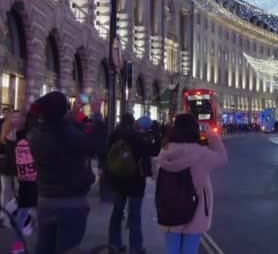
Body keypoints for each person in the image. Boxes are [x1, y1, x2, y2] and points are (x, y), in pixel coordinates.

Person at [28, 92, 106, 254]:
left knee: (45, 246)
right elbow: (94, 144)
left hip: (45, 198)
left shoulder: (35, 136)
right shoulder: (68, 136)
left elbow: (64, 127)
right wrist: (97, 115)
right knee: (68, 248)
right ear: (63, 112)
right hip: (71, 200)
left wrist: (74, 114)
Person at [157, 114, 227, 254]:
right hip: (196, 212)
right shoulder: (201, 154)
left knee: (172, 250)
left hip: (169, 210)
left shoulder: (165, 152)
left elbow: (156, 175)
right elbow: (222, 158)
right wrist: (211, 135)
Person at [107, 114, 161, 254]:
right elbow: (154, 150)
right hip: (136, 180)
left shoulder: (115, 135)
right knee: (135, 215)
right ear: (133, 123)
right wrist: (156, 133)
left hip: (118, 179)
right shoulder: (138, 138)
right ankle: (135, 247)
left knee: (117, 213)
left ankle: (114, 244)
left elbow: (107, 153)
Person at [11, 110, 38, 253]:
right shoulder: (14, 135)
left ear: (24, 119)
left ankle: (41, 244)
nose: (14, 120)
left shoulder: (31, 134)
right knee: (22, 212)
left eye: (17, 117)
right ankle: (18, 244)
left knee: (39, 211)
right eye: (12, 117)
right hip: (24, 180)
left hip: (36, 180)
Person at [1, 112, 20, 216]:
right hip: (6, 166)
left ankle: (16, 213)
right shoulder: (5, 129)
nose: (16, 119)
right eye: (14, 116)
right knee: (5, 190)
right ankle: (4, 214)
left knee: (18, 190)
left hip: (19, 166)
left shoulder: (24, 131)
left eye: (18, 117)